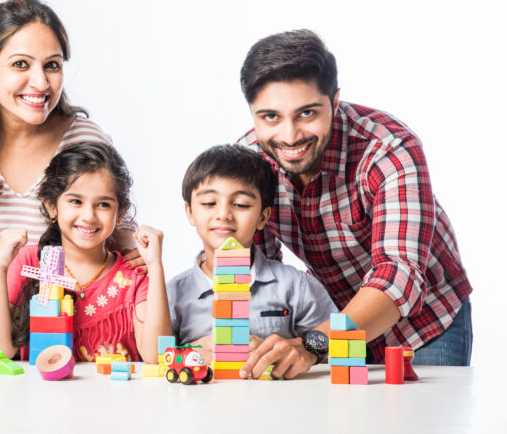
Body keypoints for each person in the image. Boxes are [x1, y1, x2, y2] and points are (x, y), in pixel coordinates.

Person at [0, 0, 140, 364]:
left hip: (62, 353)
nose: (40, 82)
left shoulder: (85, 141)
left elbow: (126, 251)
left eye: (52, 66)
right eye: (21, 64)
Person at [235, 29, 472, 379]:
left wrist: (312, 344)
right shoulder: (250, 162)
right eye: (270, 116)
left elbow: (398, 276)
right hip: (330, 326)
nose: (289, 136)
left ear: (335, 100)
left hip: (423, 323)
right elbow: (258, 266)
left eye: (307, 113)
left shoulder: (388, 148)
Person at [0, 142, 172, 363]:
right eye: (75, 201)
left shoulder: (133, 274)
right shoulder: (29, 262)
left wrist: (156, 267)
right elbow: (0, 352)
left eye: (103, 204)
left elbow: (157, 356)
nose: (88, 216)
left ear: (120, 213)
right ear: (51, 205)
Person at [167, 144, 336, 364]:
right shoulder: (173, 294)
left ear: (263, 217)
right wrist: (187, 352)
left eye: (240, 204)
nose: (224, 214)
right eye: (209, 203)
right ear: (190, 212)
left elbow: (336, 346)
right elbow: (155, 357)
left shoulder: (296, 286)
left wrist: (301, 350)